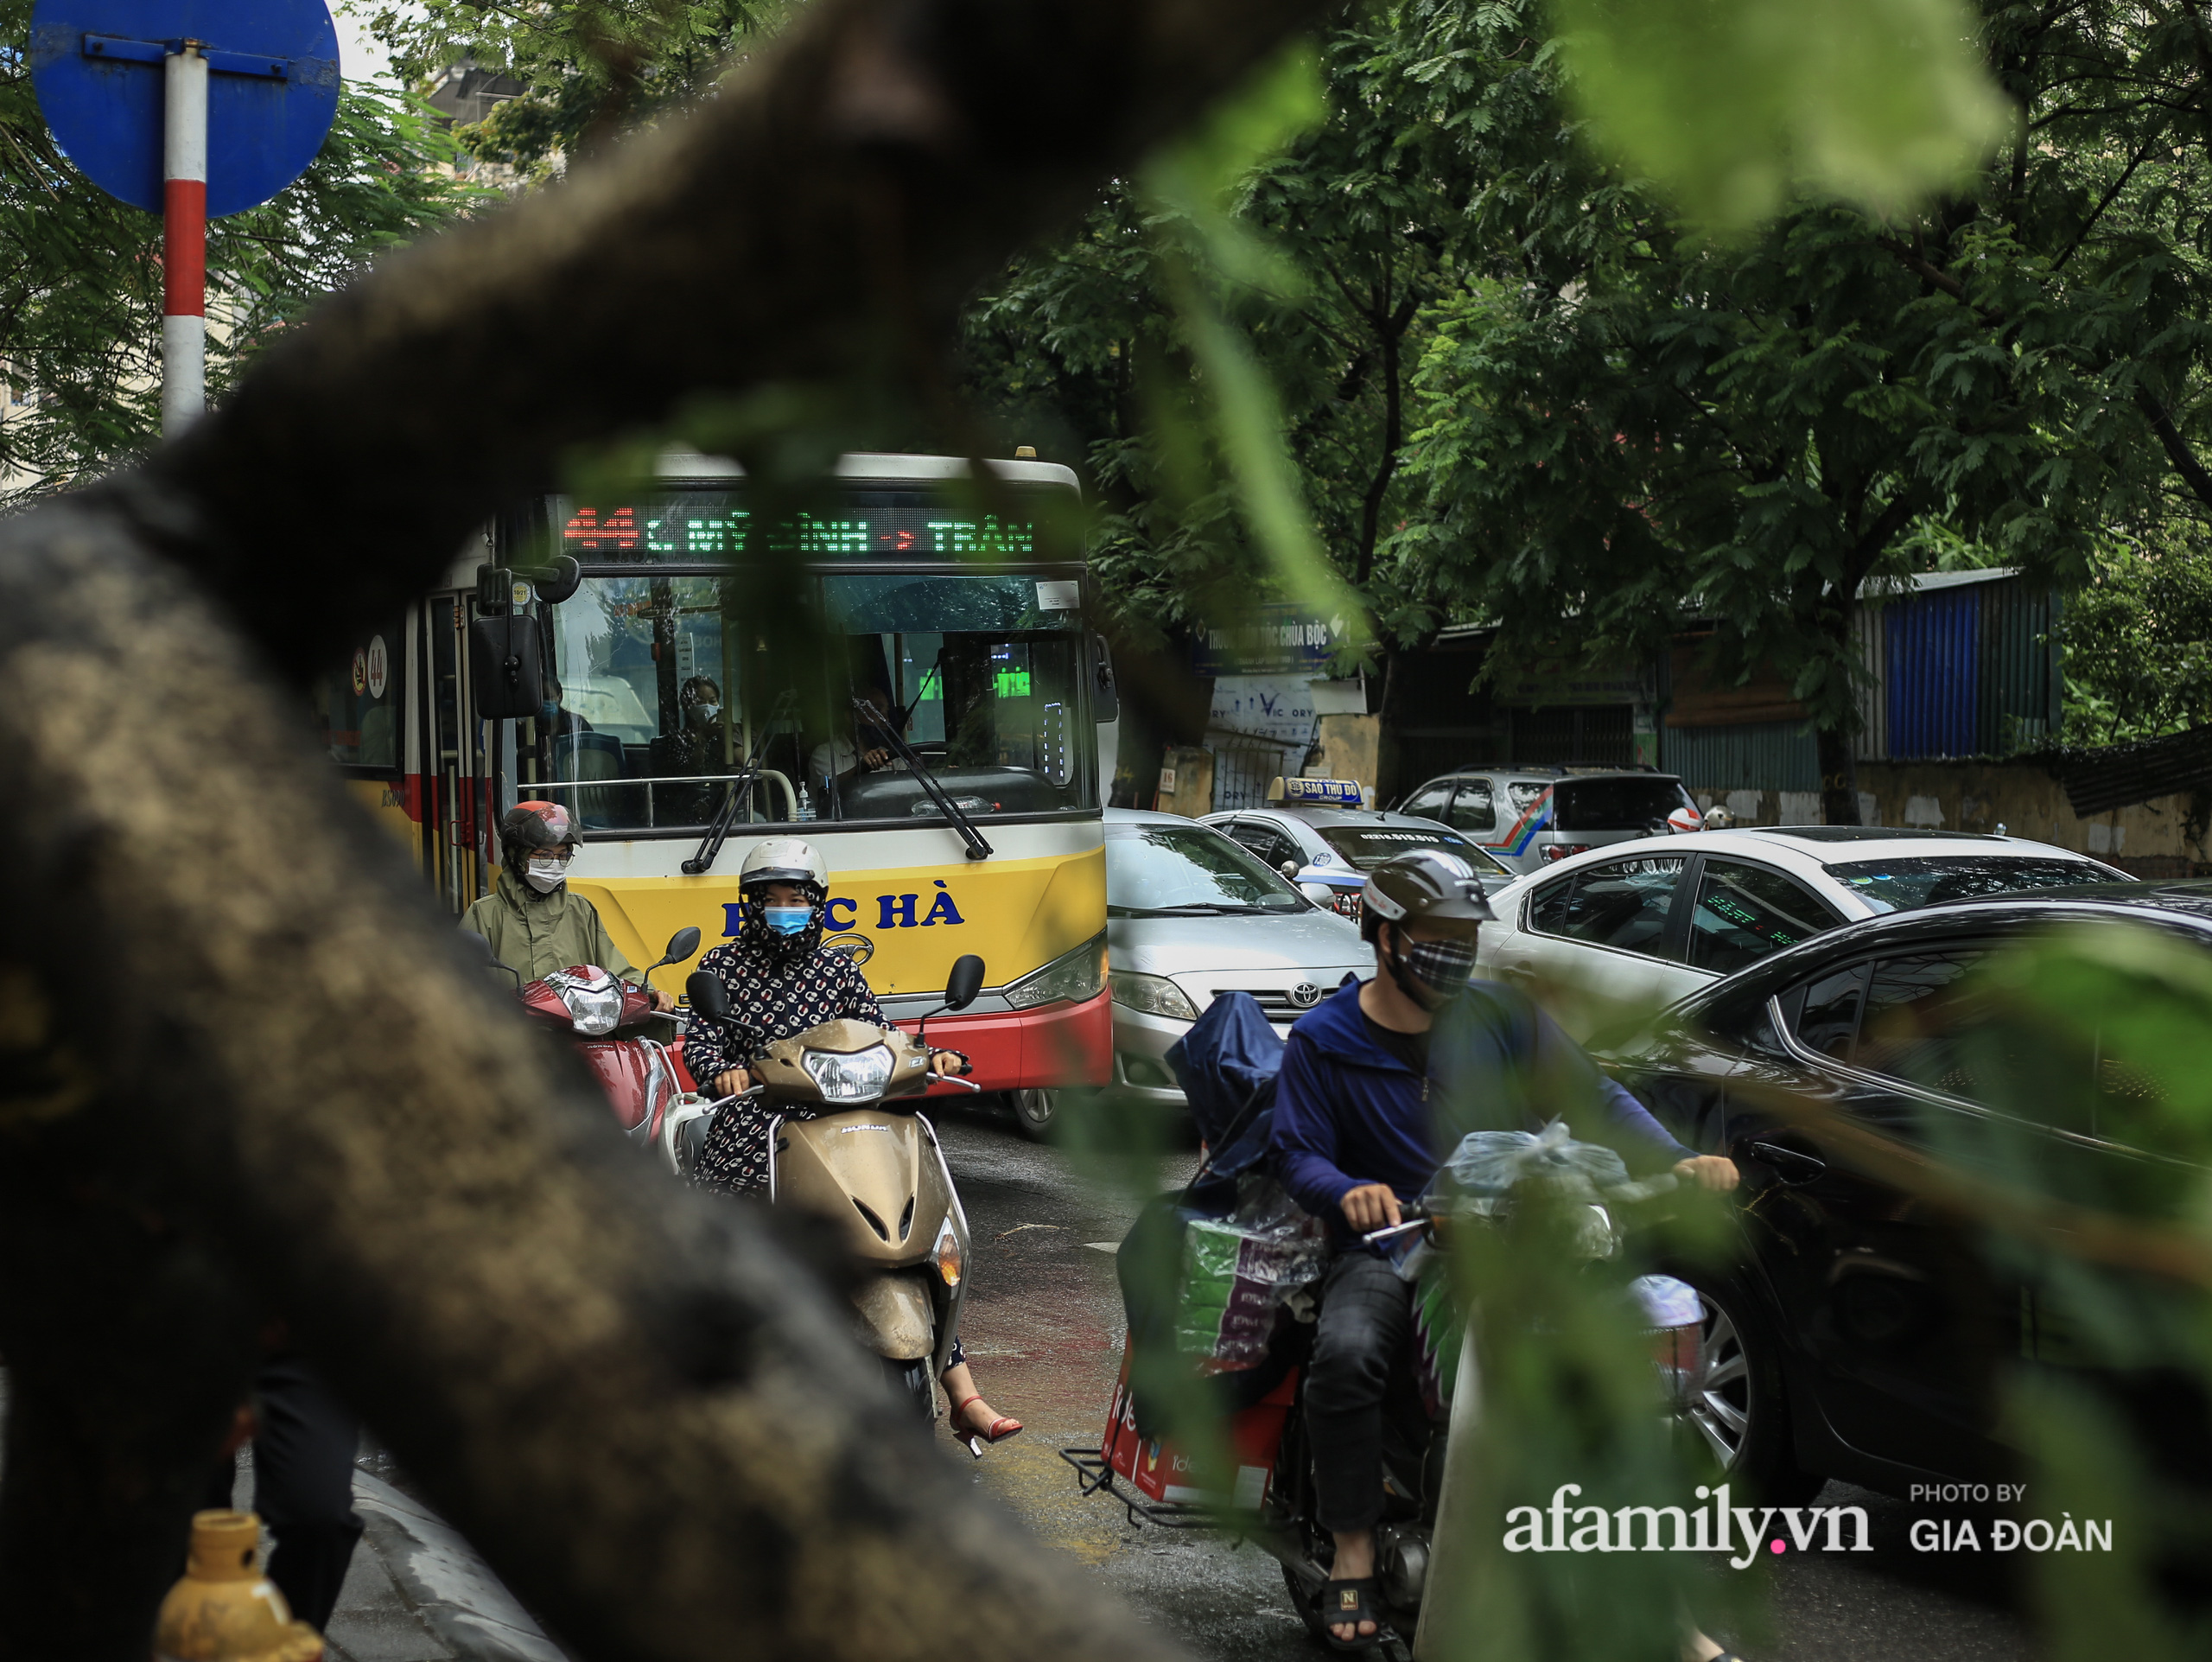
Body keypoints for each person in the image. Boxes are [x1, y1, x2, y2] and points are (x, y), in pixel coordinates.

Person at [1269, 849, 1740, 1651]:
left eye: (1466, 934)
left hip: (1510, 1249)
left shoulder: (1503, 1018)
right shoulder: (1323, 1037)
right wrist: (1346, 1188)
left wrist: (1676, 1158)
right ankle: (1352, 1546)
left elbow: (1595, 1098)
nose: (1458, 948)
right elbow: (1295, 1150)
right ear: (1385, 936)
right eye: (1438, 933)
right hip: (1390, 1248)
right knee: (1347, 1355)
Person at [685, 837, 1019, 1448]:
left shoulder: (837, 968)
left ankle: (963, 1391)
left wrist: (927, 1052)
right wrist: (722, 1072)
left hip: (842, 1122)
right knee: (717, 1230)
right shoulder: (723, 966)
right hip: (756, 1121)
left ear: (817, 905)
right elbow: (701, 1041)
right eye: (771, 899)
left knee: (909, 1235)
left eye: (796, 899)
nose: (784, 909)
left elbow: (879, 1032)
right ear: (750, 905)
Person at [201, 1344, 362, 1634]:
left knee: (319, 1517)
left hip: (304, 1344)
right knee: (189, 1516)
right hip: (189, 1337)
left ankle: (283, 1645)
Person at [461, 800, 673, 1003]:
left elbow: (614, 968)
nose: (555, 863)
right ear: (517, 856)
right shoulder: (484, 914)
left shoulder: (580, 909)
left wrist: (647, 994)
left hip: (578, 1034)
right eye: (544, 855)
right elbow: (458, 984)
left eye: (563, 855)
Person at [808, 685, 908, 784]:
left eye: (887, 711)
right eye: (877, 710)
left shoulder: (889, 757)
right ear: (852, 717)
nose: (886, 719)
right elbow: (828, 788)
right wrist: (861, 769)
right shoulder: (826, 754)